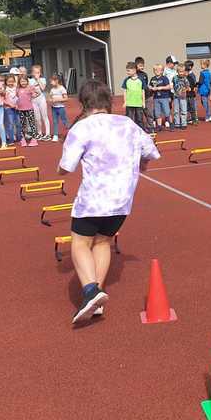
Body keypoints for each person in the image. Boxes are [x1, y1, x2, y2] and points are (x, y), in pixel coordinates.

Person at [58, 79, 161, 324]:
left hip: (93, 199)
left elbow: (66, 167)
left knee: (80, 243)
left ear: (84, 103)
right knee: (103, 241)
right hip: (122, 199)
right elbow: (151, 152)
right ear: (108, 101)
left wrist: (60, 170)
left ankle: (90, 291)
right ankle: (95, 297)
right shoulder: (127, 124)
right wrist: (142, 163)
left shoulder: (82, 128)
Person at [122, 62, 147, 130]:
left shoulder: (141, 79)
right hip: (130, 103)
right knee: (129, 118)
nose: (127, 72)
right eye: (127, 70)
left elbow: (143, 91)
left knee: (139, 119)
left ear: (134, 70)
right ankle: (130, 131)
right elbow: (125, 91)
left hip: (138, 103)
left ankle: (141, 131)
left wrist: (143, 102)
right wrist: (125, 101)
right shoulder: (126, 80)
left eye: (128, 71)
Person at [16, 74, 39, 147]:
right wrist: (16, 104)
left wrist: (34, 95)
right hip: (21, 109)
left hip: (29, 109)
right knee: (23, 125)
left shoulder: (30, 88)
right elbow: (17, 98)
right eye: (21, 81)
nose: (23, 83)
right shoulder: (18, 89)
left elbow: (37, 93)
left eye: (25, 81)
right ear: (19, 82)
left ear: (27, 81)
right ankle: (23, 139)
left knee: (32, 124)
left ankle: (34, 139)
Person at [31, 64, 51, 141]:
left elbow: (43, 88)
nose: (36, 74)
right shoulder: (30, 81)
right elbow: (30, 90)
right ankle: (39, 133)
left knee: (44, 116)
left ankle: (47, 134)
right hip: (33, 100)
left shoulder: (43, 79)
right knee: (37, 118)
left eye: (38, 72)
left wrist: (38, 80)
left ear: (40, 73)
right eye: (35, 72)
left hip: (41, 99)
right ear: (32, 73)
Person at [149, 63, 172, 130]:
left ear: (162, 71)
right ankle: (159, 125)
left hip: (164, 97)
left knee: (167, 112)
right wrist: (151, 88)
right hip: (156, 98)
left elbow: (169, 87)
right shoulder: (153, 79)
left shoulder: (164, 78)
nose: (157, 71)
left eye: (159, 70)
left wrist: (160, 88)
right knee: (157, 113)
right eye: (155, 70)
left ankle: (171, 123)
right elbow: (150, 85)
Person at [49, 74, 69, 141]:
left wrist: (57, 100)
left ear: (56, 81)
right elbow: (50, 98)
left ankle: (70, 131)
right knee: (55, 121)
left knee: (64, 121)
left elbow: (66, 98)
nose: (50, 82)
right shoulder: (52, 89)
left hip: (61, 108)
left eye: (52, 81)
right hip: (54, 108)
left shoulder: (62, 88)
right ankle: (55, 135)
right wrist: (51, 100)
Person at [135, 56, 152, 133]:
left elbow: (145, 85)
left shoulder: (145, 74)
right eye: (140, 66)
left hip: (147, 96)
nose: (142, 67)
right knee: (139, 114)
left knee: (148, 112)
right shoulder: (134, 75)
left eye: (143, 65)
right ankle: (140, 128)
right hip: (138, 97)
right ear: (136, 65)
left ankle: (150, 127)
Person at [3, 73, 20, 145]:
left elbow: (19, 97)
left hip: (17, 108)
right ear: (6, 82)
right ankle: (11, 139)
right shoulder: (4, 89)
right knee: (10, 124)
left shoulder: (16, 88)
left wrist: (17, 105)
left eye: (12, 81)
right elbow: (3, 100)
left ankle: (19, 138)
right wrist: (10, 104)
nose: (11, 83)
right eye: (9, 82)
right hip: (8, 108)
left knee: (18, 123)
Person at [184, 61, 198, 125]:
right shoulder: (183, 78)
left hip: (191, 95)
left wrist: (191, 88)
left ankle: (194, 119)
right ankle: (188, 119)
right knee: (187, 107)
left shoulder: (191, 77)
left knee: (192, 107)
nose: (185, 73)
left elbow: (194, 85)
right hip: (186, 95)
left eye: (186, 71)